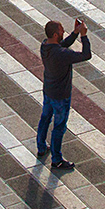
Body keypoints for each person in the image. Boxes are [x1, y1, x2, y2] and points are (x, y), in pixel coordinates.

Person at [36, 18, 91, 170]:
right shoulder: (62, 54)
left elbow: (62, 45)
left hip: (48, 90)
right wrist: (84, 36)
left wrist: (75, 33)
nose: (63, 32)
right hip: (61, 96)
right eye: (61, 31)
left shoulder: (45, 45)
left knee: (45, 118)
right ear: (54, 34)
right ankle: (57, 159)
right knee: (59, 127)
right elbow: (86, 55)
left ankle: (41, 147)